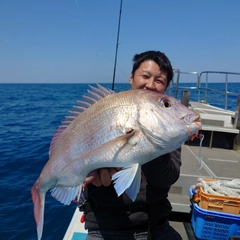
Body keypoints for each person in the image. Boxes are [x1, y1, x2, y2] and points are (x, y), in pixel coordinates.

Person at [80, 50, 182, 240]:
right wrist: (89, 176)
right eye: (145, 76)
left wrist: (152, 144)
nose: (150, 85)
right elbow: (82, 159)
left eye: (159, 81)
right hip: (103, 228)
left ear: (166, 87)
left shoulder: (168, 125)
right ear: (131, 78)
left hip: (154, 225)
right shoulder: (107, 110)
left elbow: (168, 176)